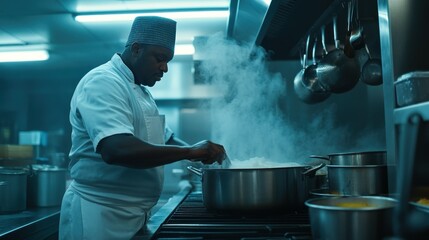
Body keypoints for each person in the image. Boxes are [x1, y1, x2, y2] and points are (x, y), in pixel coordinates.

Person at [59, 16, 228, 240]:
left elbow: (164, 139)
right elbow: (116, 149)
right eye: (160, 58)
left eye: (168, 60)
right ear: (137, 49)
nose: (165, 68)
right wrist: (192, 151)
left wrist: (202, 154)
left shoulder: (141, 91)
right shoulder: (103, 82)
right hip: (99, 214)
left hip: (133, 215)